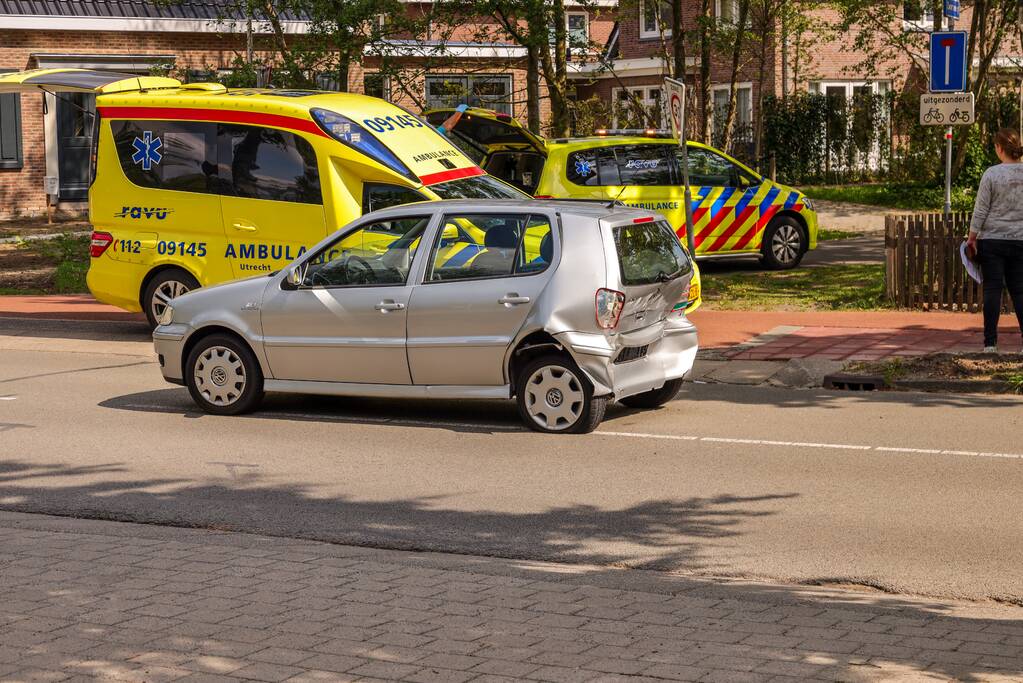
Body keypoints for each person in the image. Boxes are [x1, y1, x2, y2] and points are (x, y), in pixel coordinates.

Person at [967, 128, 1023, 353]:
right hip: (1020, 240)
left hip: (992, 240)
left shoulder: (991, 174)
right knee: (1019, 291)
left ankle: (990, 343)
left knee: (992, 290)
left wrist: (972, 237)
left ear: (999, 148)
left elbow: (981, 209)